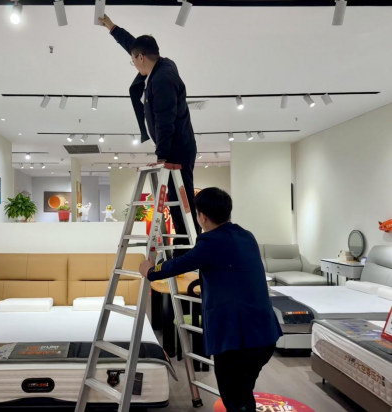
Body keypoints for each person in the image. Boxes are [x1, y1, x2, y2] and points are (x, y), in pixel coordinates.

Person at [139, 188, 282, 412]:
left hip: (237, 341)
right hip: (264, 334)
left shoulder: (210, 242)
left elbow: (178, 264)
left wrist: (150, 270)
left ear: (202, 217)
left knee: (234, 396)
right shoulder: (247, 236)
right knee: (242, 392)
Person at [99, 15, 201, 245]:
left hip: (177, 147)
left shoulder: (162, 80)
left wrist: (161, 156)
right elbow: (133, 45)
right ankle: (185, 248)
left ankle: (187, 249)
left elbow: (165, 121)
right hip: (178, 143)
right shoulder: (162, 63)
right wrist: (112, 28)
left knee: (180, 200)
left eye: (133, 60)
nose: (134, 64)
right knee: (177, 199)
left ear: (141, 58)